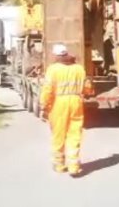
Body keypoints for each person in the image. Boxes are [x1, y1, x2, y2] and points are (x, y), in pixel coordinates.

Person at [40, 43, 93, 176]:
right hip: (76, 102)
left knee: (59, 134)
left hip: (59, 103)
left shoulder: (53, 70)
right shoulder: (79, 69)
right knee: (75, 133)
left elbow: (47, 89)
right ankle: (74, 166)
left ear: (56, 56)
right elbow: (88, 88)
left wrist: (44, 105)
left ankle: (59, 165)